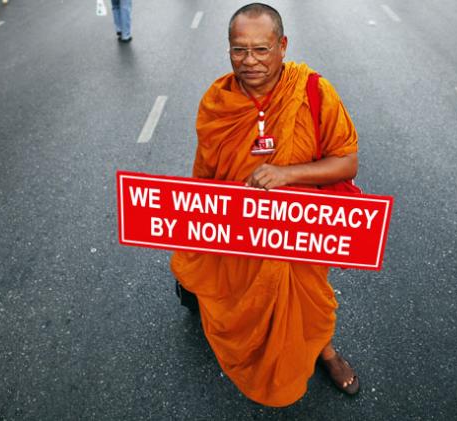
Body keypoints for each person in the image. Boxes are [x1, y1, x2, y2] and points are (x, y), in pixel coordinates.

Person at [170, 3, 360, 407]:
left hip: (298, 231)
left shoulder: (312, 91)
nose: (250, 61)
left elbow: (347, 161)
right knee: (241, 303)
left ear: (282, 46)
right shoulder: (217, 102)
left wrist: (287, 175)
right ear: (228, 49)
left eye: (262, 49)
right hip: (241, 233)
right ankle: (255, 351)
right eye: (240, 50)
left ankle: (323, 351)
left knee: (308, 299)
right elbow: (205, 174)